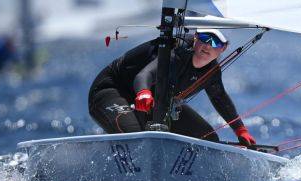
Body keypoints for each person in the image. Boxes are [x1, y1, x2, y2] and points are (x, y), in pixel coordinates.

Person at [88, 29, 256, 146]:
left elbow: (219, 98)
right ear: (196, 38)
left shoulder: (212, 72)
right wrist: (143, 93)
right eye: (205, 38)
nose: (208, 45)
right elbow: (144, 76)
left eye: (216, 42)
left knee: (208, 139)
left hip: (154, 99)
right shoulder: (176, 53)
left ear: (224, 48)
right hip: (112, 90)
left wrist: (240, 130)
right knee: (136, 137)